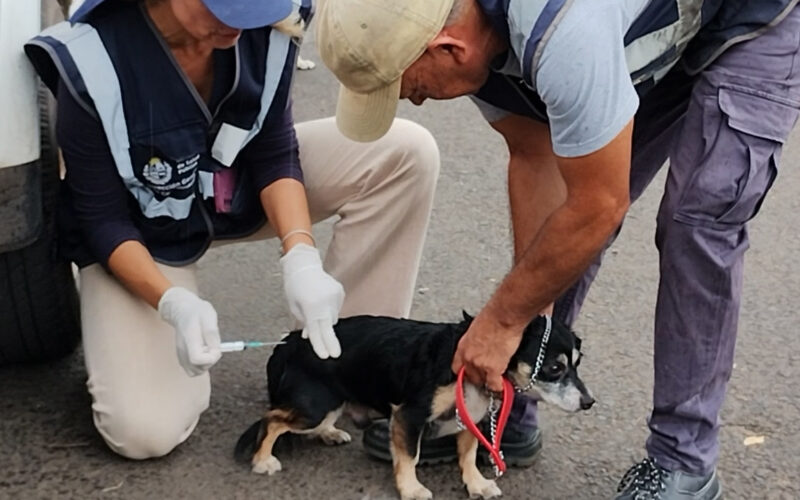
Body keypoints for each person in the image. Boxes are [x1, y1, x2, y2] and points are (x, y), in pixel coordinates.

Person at [317, 0, 800, 497]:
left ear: (448, 48)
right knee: (567, 222)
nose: (415, 102)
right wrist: (525, 329)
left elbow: (598, 204)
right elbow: (535, 155)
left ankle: (683, 461)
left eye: (411, 88)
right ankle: (511, 412)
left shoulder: (564, 36)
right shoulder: (470, 35)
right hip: (657, 24)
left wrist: (504, 322)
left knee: (695, 225)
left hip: (753, 21)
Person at [23, 0, 439, 460]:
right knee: (142, 430)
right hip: (140, 235)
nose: (243, 27)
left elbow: (275, 150)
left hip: (234, 191)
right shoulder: (92, 59)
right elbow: (102, 220)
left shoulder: (268, 22)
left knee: (405, 152)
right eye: (227, 7)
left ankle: (348, 365)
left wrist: (300, 254)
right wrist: (171, 303)